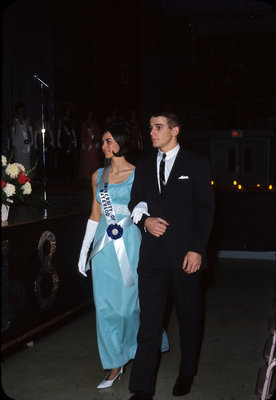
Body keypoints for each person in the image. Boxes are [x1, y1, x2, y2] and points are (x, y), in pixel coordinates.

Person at [128, 110, 215, 400]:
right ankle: (141, 387)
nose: (151, 131)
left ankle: (187, 372)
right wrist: (145, 221)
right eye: (150, 127)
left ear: (174, 130)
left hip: (185, 257)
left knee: (189, 318)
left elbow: (206, 210)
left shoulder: (197, 162)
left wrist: (197, 250)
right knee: (150, 322)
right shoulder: (142, 166)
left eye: (158, 127)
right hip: (152, 258)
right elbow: (135, 203)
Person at [78, 120, 168, 390]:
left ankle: (139, 351)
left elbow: (148, 208)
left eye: (108, 141)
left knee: (131, 306)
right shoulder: (97, 175)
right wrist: (84, 252)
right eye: (102, 141)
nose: (103, 146)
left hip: (130, 245)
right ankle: (114, 365)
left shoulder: (139, 172)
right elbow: (95, 216)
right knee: (105, 308)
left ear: (121, 142)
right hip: (104, 248)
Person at [78, 109, 101, 180]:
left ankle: (94, 175)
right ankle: (87, 175)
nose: (90, 115)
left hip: (94, 144)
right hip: (87, 144)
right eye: (89, 114)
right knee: (87, 161)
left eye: (91, 114)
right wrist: (82, 142)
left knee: (94, 161)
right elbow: (82, 133)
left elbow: (98, 133)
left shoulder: (95, 124)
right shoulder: (84, 124)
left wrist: (97, 142)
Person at [11, 102, 34, 170]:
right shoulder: (15, 120)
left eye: (22, 110)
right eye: (20, 110)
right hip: (18, 142)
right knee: (18, 158)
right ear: (17, 111)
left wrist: (32, 140)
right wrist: (13, 141)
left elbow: (31, 131)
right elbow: (12, 132)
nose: (21, 111)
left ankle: (26, 175)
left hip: (25, 142)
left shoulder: (27, 120)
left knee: (26, 158)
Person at [57, 105, 77, 177]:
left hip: (70, 141)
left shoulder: (71, 120)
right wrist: (58, 141)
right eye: (67, 110)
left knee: (70, 157)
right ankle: (63, 173)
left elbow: (73, 130)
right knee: (63, 157)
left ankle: (70, 173)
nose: (68, 112)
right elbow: (59, 131)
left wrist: (75, 140)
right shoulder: (61, 120)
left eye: (69, 111)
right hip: (63, 140)